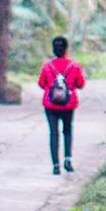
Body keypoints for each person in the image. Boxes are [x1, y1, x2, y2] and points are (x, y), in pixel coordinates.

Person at [36, 35, 87, 175]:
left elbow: (41, 84)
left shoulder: (47, 66)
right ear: (66, 49)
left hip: (50, 105)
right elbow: (81, 84)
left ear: (53, 49)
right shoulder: (74, 65)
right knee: (67, 130)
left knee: (53, 132)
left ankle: (55, 165)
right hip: (68, 104)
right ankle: (68, 160)